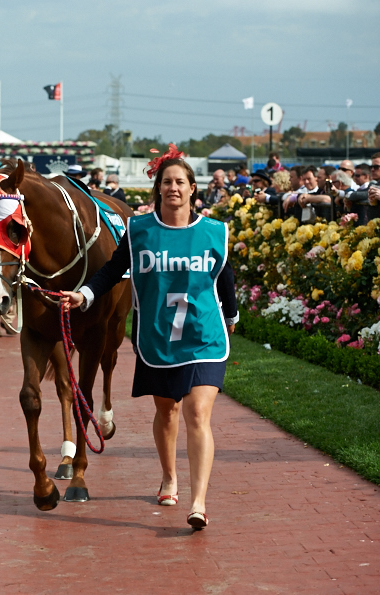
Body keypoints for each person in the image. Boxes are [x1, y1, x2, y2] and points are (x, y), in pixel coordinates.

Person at [61, 146, 238, 530]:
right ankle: (169, 476)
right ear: (157, 189)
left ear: (193, 189)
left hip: (204, 337)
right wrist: (85, 294)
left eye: (180, 182)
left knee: (197, 413)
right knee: (167, 411)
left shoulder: (214, 232)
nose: (172, 188)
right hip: (157, 338)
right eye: (166, 182)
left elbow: (225, 276)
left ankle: (199, 502)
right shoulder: (139, 231)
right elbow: (112, 270)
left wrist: (232, 314)